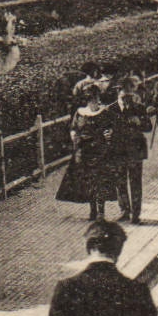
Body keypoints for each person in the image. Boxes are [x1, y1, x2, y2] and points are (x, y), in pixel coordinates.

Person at [57, 85, 116, 220]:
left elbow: (111, 128)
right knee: (88, 181)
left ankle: (101, 211)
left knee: (99, 180)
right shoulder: (80, 113)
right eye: (90, 99)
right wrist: (74, 136)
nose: (93, 102)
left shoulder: (104, 112)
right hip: (83, 151)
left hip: (99, 150)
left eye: (95, 98)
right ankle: (92, 210)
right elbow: (73, 128)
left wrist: (109, 133)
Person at [110, 78, 152, 224]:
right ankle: (124, 211)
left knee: (135, 182)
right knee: (120, 182)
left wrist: (140, 122)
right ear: (118, 93)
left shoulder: (139, 108)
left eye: (129, 96)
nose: (127, 100)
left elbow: (148, 127)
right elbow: (104, 129)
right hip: (118, 151)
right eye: (124, 96)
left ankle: (136, 214)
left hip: (135, 150)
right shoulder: (111, 109)